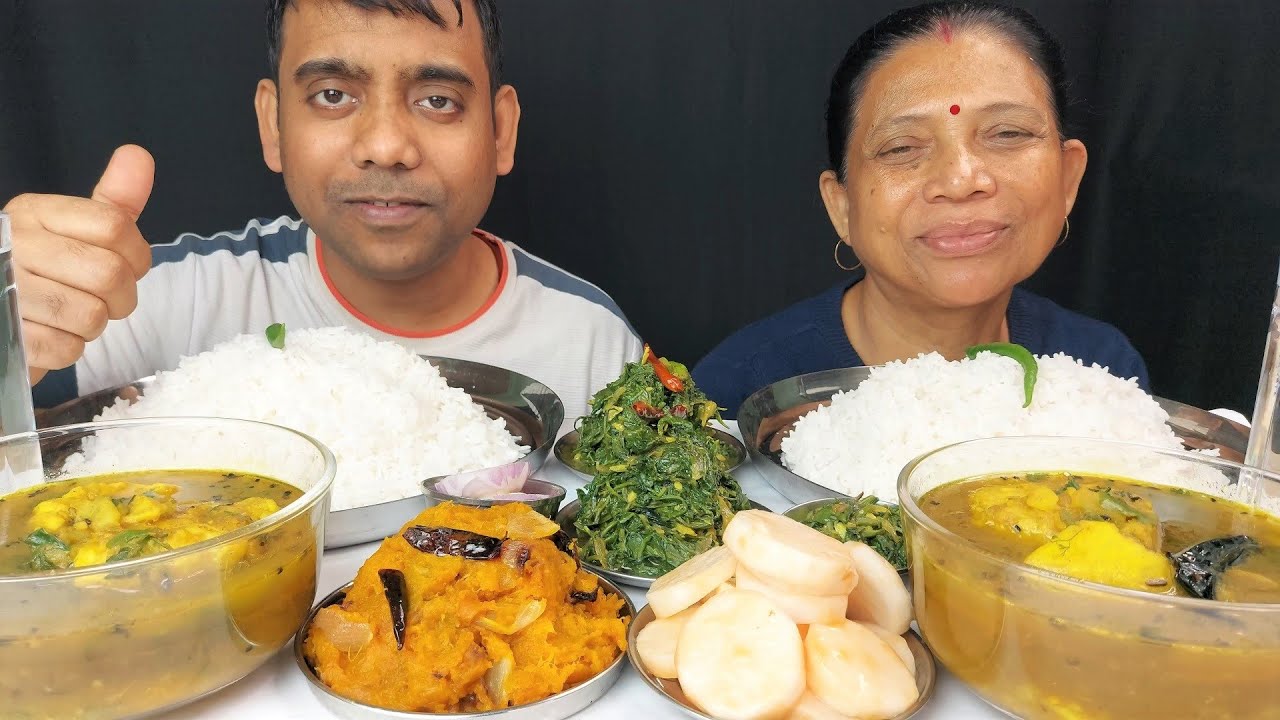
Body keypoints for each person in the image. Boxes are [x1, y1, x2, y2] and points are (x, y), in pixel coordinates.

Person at [6, 0, 641, 421]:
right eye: (333, 95)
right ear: (272, 123)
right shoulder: (148, 299)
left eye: (439, 100)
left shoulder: (593, 344)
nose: (387, 147)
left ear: (500, 131)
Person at [693, 1, 1149, 417]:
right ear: (842, 205)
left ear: (1068, 179)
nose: (961, 180)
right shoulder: (736, 394)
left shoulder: (1103, 374)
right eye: (902, 147)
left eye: (1007, 133)